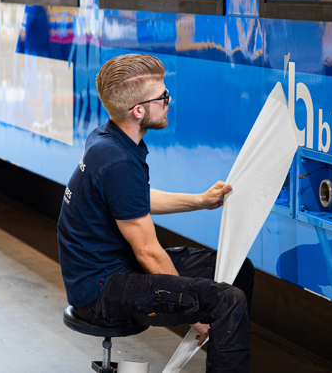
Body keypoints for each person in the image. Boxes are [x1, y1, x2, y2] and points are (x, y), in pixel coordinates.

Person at [58, 54, 255, 373]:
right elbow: (148, 253)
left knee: (237, 269)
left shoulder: (107, 138)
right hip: (101, 292)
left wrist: (200, 200)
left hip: (114, 269)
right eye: (163, 96)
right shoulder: (118, 162)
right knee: (225, 300)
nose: (168, 101)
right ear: (138, 111)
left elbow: (132, 200)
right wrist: (194, 314)